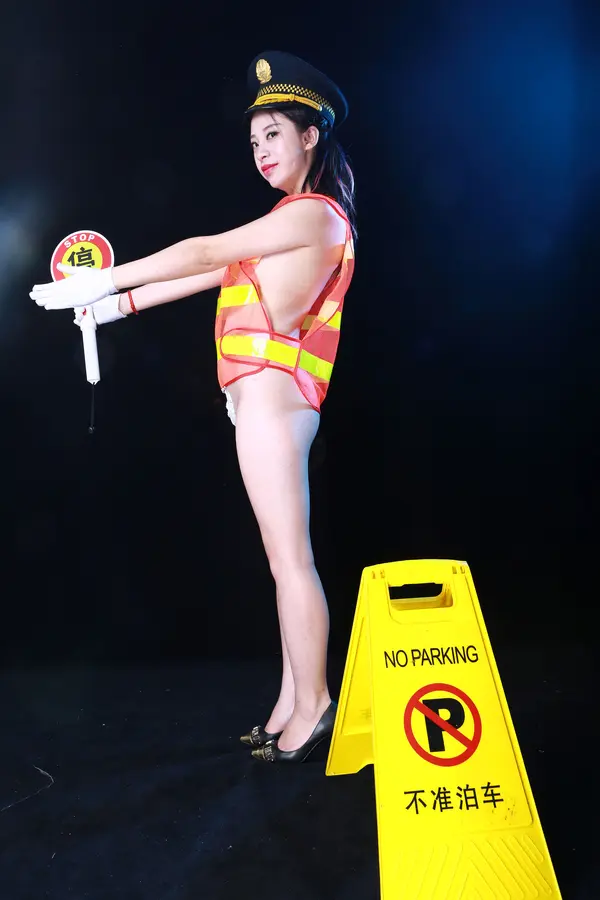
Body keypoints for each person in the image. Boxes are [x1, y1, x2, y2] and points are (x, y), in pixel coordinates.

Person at [31, 50, 356, 764]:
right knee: (282, 561)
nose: (260, 149)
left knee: (291, 561)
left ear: (310, 136)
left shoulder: (316, 215)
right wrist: (112, 306)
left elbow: (205, 250)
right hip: (264, 401)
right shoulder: (287, 221)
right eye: (254, 139)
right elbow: (214, 271)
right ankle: (290, 701)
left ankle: (315, 706)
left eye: (274, 133)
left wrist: (105, 276)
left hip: (274, 400)